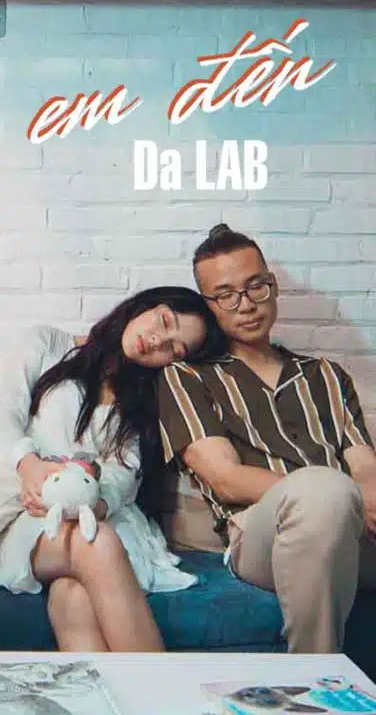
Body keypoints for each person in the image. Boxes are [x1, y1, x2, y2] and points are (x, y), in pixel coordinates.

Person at [0, 287, 227, 653]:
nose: (156, 341)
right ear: (145, 305)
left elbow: (125, 472)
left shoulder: (146, 396)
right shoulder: (46, 345)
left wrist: (96, 503)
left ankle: (105, 693)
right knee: (96, 542)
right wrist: (29, 465)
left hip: (101, 513)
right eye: (164, 321)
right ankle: (160, 686)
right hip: (30, 515)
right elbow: (5, 417)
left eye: (173, 349)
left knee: (74, 594)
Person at [158, 223, 376, 655]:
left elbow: (364, 462)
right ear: (208, 305)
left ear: (272, 287)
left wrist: (363, 496)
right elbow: (226, 479)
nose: (246, 305)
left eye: (256, 286)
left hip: (349, 528)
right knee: (323, 492)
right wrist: (337, 494)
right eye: (226, 295)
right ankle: (316, 675)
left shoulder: (326, 375)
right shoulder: (187, 376)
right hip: (258, 534)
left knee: (332, 496)